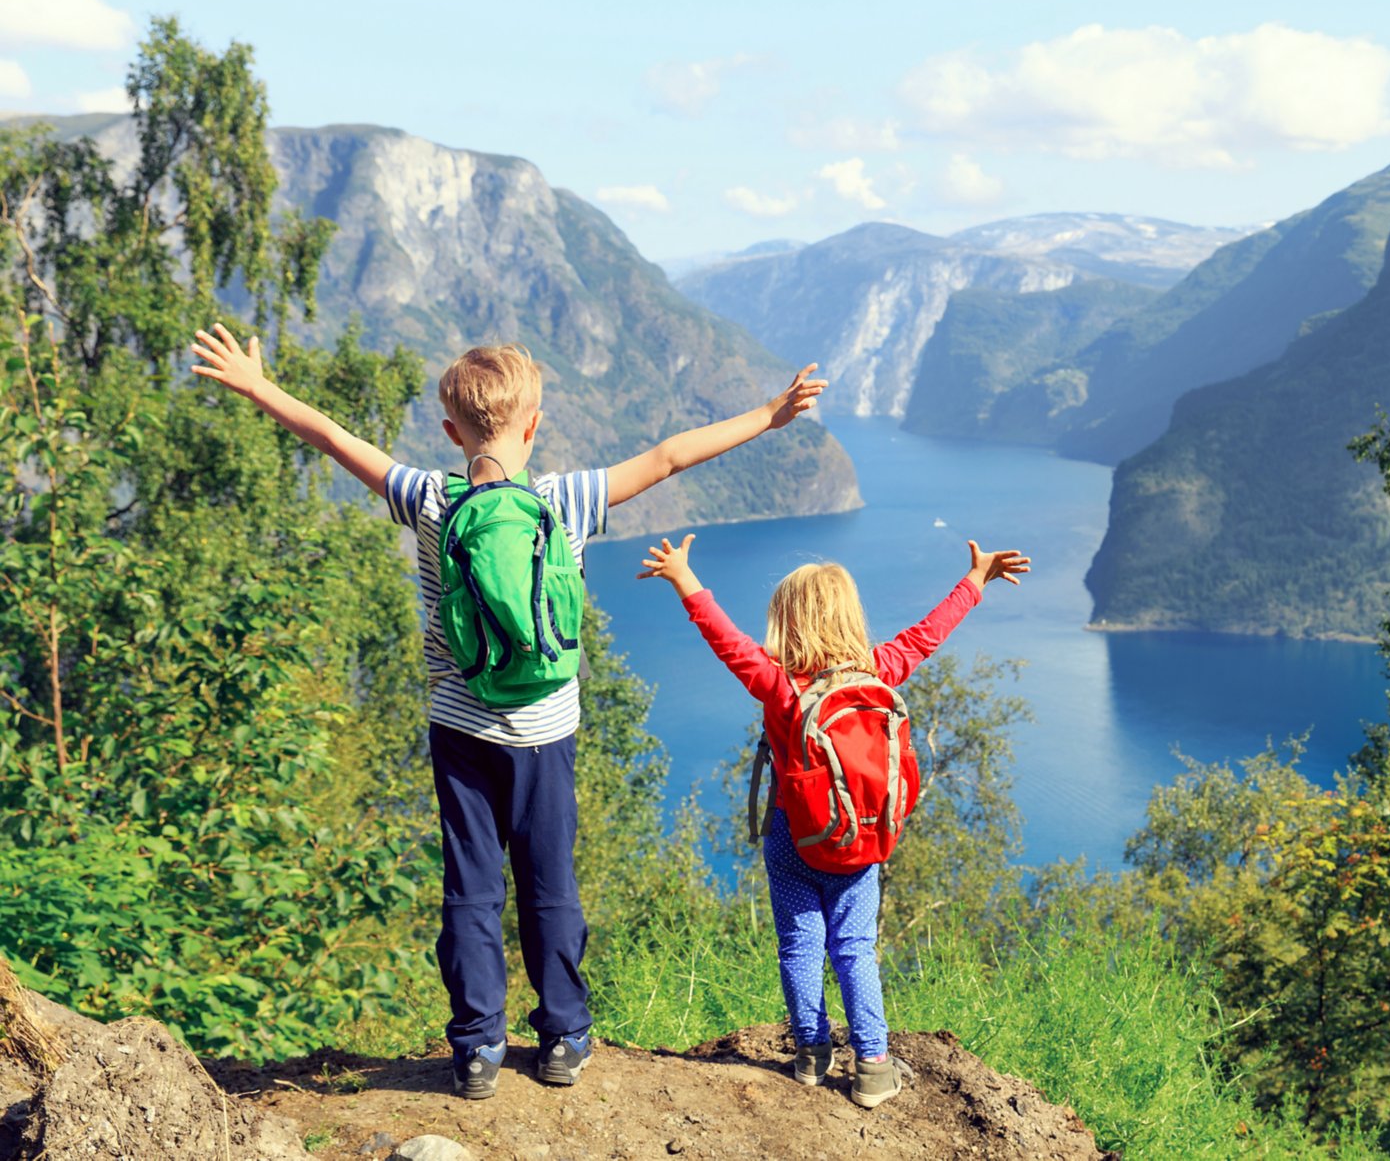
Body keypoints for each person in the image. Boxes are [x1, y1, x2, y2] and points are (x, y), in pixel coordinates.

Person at [189, 325, 826, 1097]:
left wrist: (258, 386)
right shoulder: (565, 500)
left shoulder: (429, 498)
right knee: (550, 885)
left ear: (452, 433)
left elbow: (332, 436)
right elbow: (670, 456)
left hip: (460, 730)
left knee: (471, 888)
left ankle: (478, 1048)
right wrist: (770, 412)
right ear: (535, 425)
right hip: (546, 734)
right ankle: (561, 1037)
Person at [636, 531, 1029, 1108]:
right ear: (849, 616)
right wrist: (975, 580)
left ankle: (812, 1055)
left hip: (792, 836)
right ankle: (871, 1065)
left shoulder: (780, 687)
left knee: (800, 944)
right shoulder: (878, 672)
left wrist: (683, 577)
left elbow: (725, 639)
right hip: (859, 841)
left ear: (785, 623)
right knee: (854, 947)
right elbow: (928, 635)